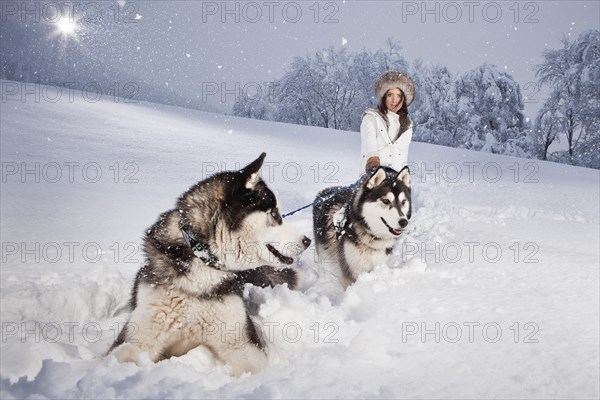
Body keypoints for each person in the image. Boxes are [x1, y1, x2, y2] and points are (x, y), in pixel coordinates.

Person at [360, 71, 415, 173]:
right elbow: (369, 141)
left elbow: (403, 154)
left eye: (398, 95)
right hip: (374, 174)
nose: (394, 100)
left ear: (403, 99)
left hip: (396, 177)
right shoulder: (371, 118)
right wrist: (373, 161)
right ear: (384, 97)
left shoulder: (407, 125)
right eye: (390, 95)